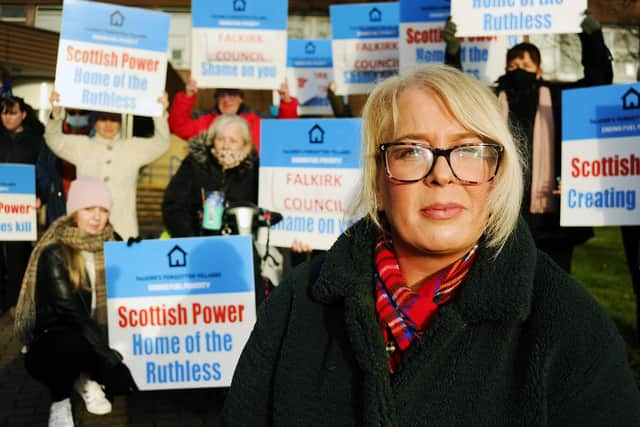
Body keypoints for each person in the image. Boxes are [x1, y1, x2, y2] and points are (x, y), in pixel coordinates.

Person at [218, 65, 640, 426]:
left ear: (497, 174)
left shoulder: (568, 322)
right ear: (378, 178)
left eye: (469, 150)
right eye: (411, 150)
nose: (442, 175)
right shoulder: (299, 303)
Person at [445, 11, 612, 272]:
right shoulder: (491, 100)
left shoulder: (558, 99)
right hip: (502, 212)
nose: (518, 70)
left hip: (551, 218)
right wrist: (453, 52)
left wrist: (591, 37)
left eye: (525, 65)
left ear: (539, 71)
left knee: (553, 286)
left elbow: (597, 81)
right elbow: (456, 92)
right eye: (513, 65)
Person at [14, 176, 136, 427]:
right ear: (74, 213)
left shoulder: (115, 242)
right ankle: (60, 400)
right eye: (88, 209)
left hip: (99, 330)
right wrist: (111, 360)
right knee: (70, 346)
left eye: (103, 210)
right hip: (62, 333)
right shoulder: (54, 251)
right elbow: (72, 314)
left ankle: (88, 375)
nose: (96, 217)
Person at [45, 91, 170, 240]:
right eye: (103, 119)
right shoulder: (82, 146)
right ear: (94, 122)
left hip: (123, 231)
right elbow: (54, 140)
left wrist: (159, 111)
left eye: (114, 119)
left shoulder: (133, 148)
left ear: (121, 122)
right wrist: (56, 113)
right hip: (87, 230)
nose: (109, 124)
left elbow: (161, 143)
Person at [162, 114, 259, 238]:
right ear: (212, 141)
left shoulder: (254, 170)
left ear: (245, 145)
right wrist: (190, 237)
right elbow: (173, 204)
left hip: (239, 243)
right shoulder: (195, 163)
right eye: (220, 139)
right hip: (197, 239)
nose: (226, 145)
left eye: (233, 141)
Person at [0, 95, 44, 317]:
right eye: (4, 113)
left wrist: (40, 197)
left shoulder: (35, 141)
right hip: (2, 204)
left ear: (24, 114)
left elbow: (44, 174)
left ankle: (16, 302)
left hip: (20, 208)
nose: (7, 118)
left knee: (17, 256)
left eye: (13, 113)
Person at [168, 80, 298, 152]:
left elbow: (285, 132)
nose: (227, 101)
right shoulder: (205, 121)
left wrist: (287, 102)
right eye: (221, 96)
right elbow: (178, 126)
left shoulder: (257, 121)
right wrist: (187, 96)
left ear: (241, 99)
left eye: (232, 95)